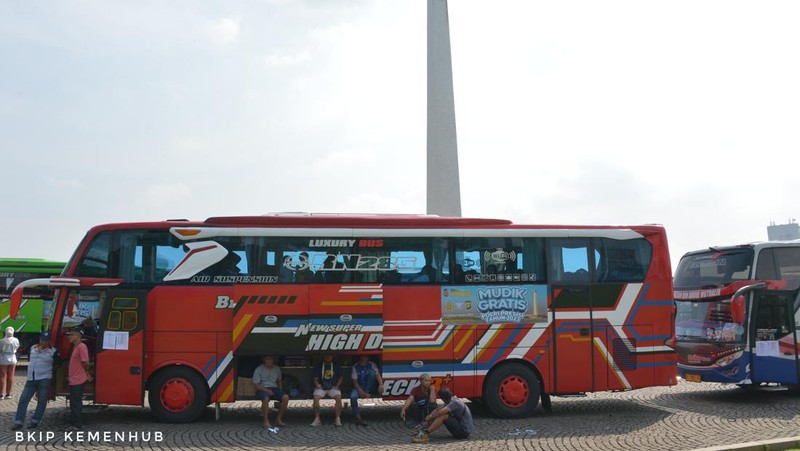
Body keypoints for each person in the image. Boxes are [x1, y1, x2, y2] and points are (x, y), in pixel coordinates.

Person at [12, 331, 59, 430]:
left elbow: (58, 364)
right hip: (31, 379)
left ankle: (35, 421)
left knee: (41, 401)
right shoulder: (33, 348)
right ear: (40, 339)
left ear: (49, 341)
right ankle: (18, 422)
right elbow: (30, 360)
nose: (44, 342)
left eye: (46, 340)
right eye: (42, 340)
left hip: (44, 379)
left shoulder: (53, 351)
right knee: (23, 400)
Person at [252, 355, 288, 428]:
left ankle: (278, 419)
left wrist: (280, 391)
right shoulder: (259, 369)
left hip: (274, 388)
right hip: (262, 388)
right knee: (265, 399)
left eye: (271, 359)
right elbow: (256, 384)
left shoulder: (277, 368)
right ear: (264, 360)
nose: (269, 360)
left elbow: (279, 381)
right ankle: (266, 421)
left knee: (285, 397)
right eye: (267, 359)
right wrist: (266, 390)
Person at [67, 327, 92, 431]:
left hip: (78, 379)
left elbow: (85, 362)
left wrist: (86, 372)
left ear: (78, 336)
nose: (69, 337)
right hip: (74, 379)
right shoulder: (76, 347)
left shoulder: (81, 347)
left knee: (76, 403)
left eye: (71, 334)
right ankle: (75, 423)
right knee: (74, 402)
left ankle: (77, 424)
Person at [349, 354, 383, 426]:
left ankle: (367, 392)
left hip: (370, 387)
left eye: (366, 357)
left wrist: (381, 384)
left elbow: (377, 374)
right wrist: (361, 391)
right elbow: (355, 381)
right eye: (363, 357)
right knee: (353, 397)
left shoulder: (372, 364)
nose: (364, 358)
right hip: (359, 387)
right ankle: (358, 417)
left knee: (372, 373)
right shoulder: (355, 366)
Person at [310, 353, 342, 427]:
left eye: (330, 356)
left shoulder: (336, 365)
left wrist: (337, 385)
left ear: (332, 357)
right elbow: (315, 378)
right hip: (321, 387)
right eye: (326, 356)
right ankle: (317, 418)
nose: (328, 357)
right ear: (324, 356)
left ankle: (337, 418)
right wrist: (317, 384)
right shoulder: (319, 365)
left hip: (332, 386)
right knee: (316, 398)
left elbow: (341, 376)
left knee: (338, 397)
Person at [0, 326, 20, 399]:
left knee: (2, 376)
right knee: (11, 376)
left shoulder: (2, 341)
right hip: (12, 358)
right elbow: (17, 347)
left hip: (3, 358)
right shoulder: (16, 340)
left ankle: (1, 394)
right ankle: (8, 394)